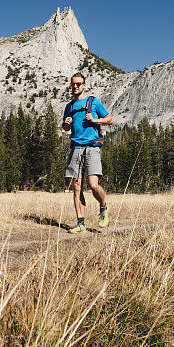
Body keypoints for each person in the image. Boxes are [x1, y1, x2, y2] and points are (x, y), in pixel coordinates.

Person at [62, 72, 113, 233]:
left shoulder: (94, 102)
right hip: (75, 148)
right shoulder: (69, 107)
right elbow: (65, 128)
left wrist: (95, 120)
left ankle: (103, 207)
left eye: (78, 83)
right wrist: (66, 124)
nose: (75, 86)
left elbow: (109, 119)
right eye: (73, 84)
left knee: (93, 185)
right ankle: (80, 223)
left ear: (84, 85)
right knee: (76, 187)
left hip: (92, 147)